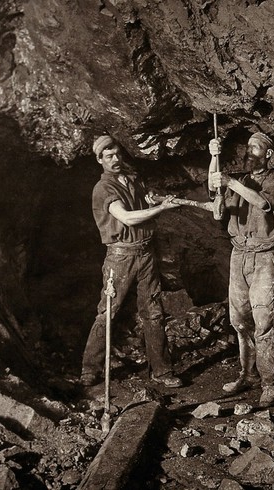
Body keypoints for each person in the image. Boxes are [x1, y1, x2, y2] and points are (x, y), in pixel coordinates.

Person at [80, 135, 183, 388]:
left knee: (154, 312)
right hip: (120, 256)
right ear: (99, 160)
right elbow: (127, 218)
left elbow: (141, 201)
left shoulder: (132, 178)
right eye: (108, 156)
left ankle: (161, 371)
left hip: (146, 253)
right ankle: (89, 370)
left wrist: (152, 200)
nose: (115, 159)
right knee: (108, 312)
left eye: (117, 153)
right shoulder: (103, 189)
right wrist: (161, 209)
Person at [208, 132, 274, 408]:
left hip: (265, 257)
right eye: (248, 147)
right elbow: (218, 197)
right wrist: (213, 158)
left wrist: (229, 181)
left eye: (256, 147)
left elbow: (264, 203)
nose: (249, 152)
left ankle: (271, 383)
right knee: (240, 321)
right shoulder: (241, 182)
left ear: (268, 154)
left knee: (264, 322)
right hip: (239, 256)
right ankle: (247, 374)